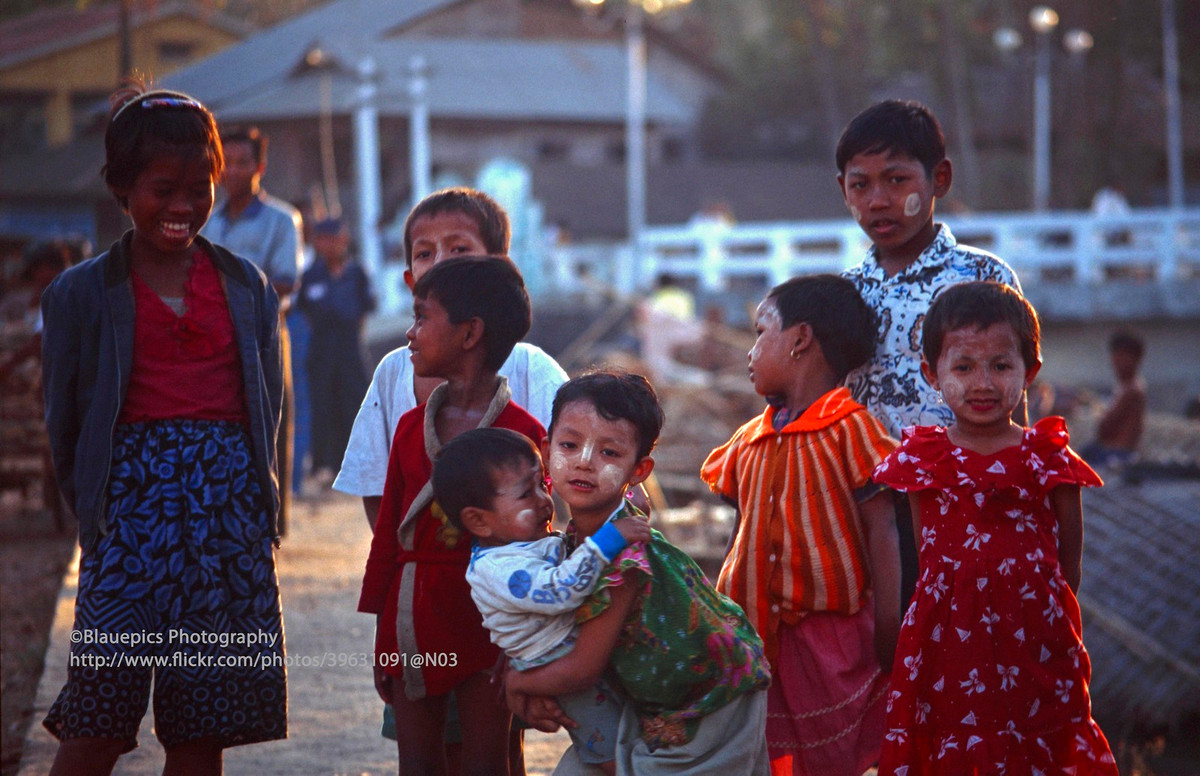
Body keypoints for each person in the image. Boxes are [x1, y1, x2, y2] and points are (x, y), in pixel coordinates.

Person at [39, 85, 286, 774]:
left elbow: (270, 406)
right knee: (96, 717)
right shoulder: (81, 293)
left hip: (227, 527)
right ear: (121, 188)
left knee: (200, 730)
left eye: (199, 187)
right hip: (129, 524)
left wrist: (263, 512)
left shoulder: (248, 287)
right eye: (162, 188)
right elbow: (64, 419)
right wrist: (97, 513)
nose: (182, 206)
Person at [872, 281, 1117, 774]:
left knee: (1038, 748)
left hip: (1035, 644)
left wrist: (1027, 611)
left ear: (1030, 372)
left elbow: (1068, 566)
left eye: (1001, 366)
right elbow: (928, 558)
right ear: (932, 373)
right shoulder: (926, 459)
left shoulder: (1048, 458)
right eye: (963, 367)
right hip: (945, 648)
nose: (982, 382)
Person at [505, 370, 771, 774]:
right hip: (659, 691)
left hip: (711, 701)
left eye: (609, 453)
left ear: (639, 470)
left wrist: (514, 684)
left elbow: (581, 670)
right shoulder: (595, 529)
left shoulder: (624, 564)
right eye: (570, 444)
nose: (584, 462)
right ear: (546, 450)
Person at [701, 275, 899, 775]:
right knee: (762, 755)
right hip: (753, 636)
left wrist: (892, 625)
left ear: (800, 339)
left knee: (829, 758)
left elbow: (884, 529)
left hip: (830, 636)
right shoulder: (748, 440)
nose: (750, 351)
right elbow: (739, 535)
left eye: (760, 331)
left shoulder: (851, 429)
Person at [357, 256, 545, 773]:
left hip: (491, 621)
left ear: (469, 334)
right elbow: (390, 539)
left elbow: (534, 538)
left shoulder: (523, 432)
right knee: (418, 763)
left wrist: (525, 638)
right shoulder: (409, 427)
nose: (410, 334)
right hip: (414, 614)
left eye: (421, 318)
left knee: (488, 761)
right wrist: (384, 638)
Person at [837, 99, 1023, 612]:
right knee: (887, 653)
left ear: (939, 178)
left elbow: (1015, 394)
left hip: (969, 500)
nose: (878, 200)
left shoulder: (983, 278)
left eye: (896, 181)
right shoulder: (844, 296)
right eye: (861, 185)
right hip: (870, 512)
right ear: (843, 191)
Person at [335, 186, 567, 528]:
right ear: (411, 281)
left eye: (459, 249)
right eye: (425, 253)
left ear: (498, 269)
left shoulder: (533, 370)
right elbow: (376, 487)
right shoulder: (393, 373)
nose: (441, 263)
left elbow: (575, 470)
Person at [433, 427, 651, 775]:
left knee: (633, 734)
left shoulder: (523, 542)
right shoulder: (500, 570)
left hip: (576, 655)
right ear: (478, 520)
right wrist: (609, 539)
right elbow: (561, 590)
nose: (542, 501)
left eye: (542, 485)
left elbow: (570, 555)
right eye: (524, 494)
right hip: (557, 667)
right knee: (611, 752)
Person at [201, 125, 303, 532]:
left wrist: (225, 290)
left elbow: (285, 281)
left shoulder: (281, 220)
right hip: (210, 337)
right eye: (227, 163)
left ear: (260, 167)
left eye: (243, 162)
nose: (233, 172)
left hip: (263, 335)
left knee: (271, 422)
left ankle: (273, 522)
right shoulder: (208, 219)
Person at [297, 216, 376, 486]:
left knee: (355, 405)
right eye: (324, 239)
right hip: (321, 352)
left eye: (335, 239)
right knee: (322, 408)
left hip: (350, 351)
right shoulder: (310, 277)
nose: (330, 245)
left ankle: (356, 465)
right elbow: (306, 312)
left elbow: (365, 309)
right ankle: (324, 466)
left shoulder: (358, 274)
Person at [1082, 329, 1146, 470]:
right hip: (1111, 451)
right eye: (1115, 357)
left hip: (1118, 454)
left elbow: (1105, 428)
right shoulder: (1124, 387)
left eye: (1122, 357)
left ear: (1136, 358)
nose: (1117, 363)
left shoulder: (1132, 390)